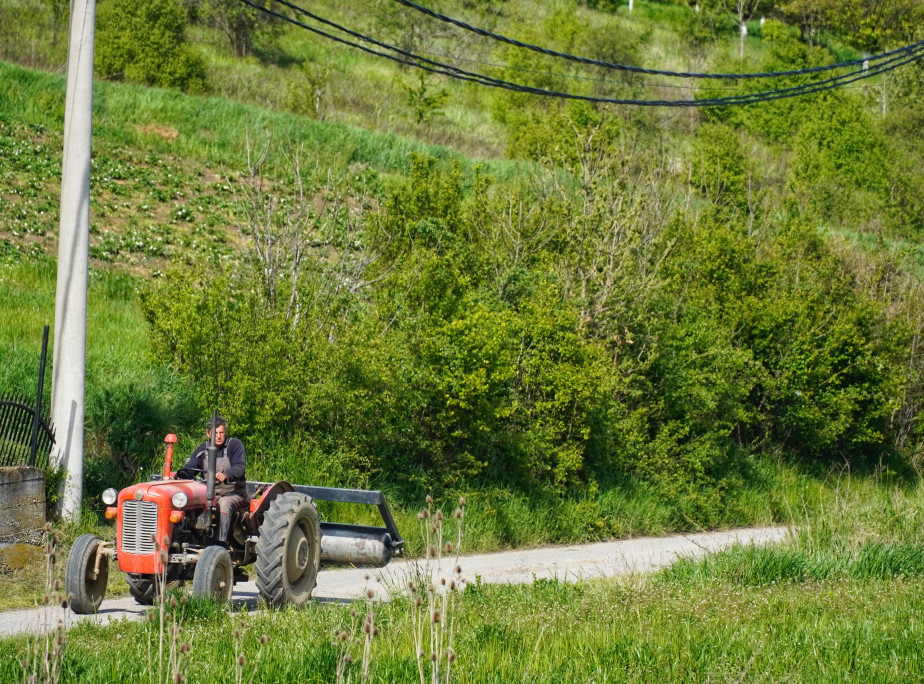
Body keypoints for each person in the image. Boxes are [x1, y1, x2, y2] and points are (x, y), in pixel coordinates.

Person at [177, 415, 249, 547]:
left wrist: (227, 474)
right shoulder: (202, 449)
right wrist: (180, 475)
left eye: (221, 433)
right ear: (208, 433)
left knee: (224, 504)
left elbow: (239, 467)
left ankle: (220, 544)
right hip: (209, 493)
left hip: (234, 492)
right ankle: (190, 539)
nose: (219, 436)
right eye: (215, 433)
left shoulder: (235, 445)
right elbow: (191, 467)